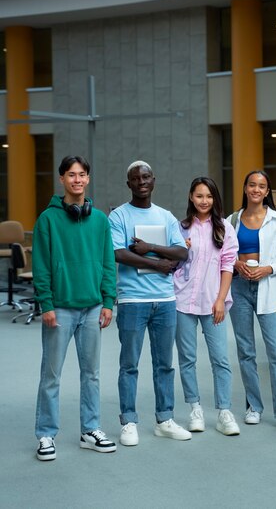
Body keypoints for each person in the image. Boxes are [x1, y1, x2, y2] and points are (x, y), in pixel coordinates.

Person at [33, 155, 117, 461]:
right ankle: (45, 434)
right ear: (62, 180)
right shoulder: (48, 220)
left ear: (88, 179)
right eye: (71, 175)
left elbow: (108, 263)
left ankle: (90, 429)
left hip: (93, 307)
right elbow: (41, 265)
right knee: (51, 375)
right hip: (61, 309)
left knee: (91, 374)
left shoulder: (100, 221)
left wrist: (108, 301)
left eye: (82, 174)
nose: (77, 180)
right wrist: (46, 302)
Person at [108, 160, 191, 445]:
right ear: (128, 183)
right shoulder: (118, 216)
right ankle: (128, 421)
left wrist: (150, 247)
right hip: (132, 300)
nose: (141, 182)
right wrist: (158, 265)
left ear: (153, 180)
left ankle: (165, 419)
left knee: (164, 364)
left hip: (165, 302)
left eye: (146, 177)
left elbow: (182, 252)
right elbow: (119, 254)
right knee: (129, 364)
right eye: (135, 178)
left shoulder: (166, 216)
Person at [227, 170, 276, 431]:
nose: (256, 189)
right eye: (252, 185)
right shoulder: (231, 220)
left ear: (267, 192)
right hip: (239, 288)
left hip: (267, 287)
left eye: (262, 186)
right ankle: (253, 406)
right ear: (245, 188)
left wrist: (266, 268)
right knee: (246, 351)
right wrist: (236, 264)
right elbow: (222, 255)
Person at [174, 177, 240, 436]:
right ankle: (195, 409)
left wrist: (221, 299)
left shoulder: (224, 228)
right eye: (199, 196)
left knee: (220, 359)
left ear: (215, 199)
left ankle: (224, 411)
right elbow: (172, 263)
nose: (204, 201)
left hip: (213, 302)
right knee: (187, 359)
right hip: (183, 301)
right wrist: (181, 249)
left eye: (209, 196)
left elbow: (227, 266)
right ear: (191, 197)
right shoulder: (180, 228)